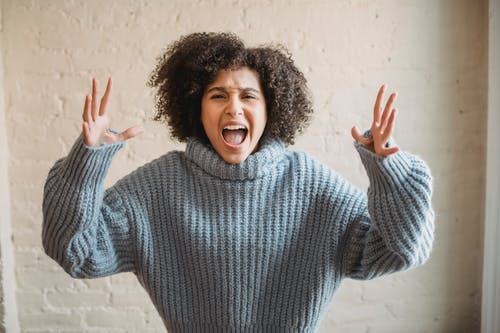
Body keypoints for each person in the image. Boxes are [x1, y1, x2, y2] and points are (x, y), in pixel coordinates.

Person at [42, 32, 434, 332]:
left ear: (271, 110)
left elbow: (402, 251)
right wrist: (85, 164)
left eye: (249, 95)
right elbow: (76, 252)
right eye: (217, 95)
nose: (234, 107)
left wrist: (391, 170)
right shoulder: (157, 188)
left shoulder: (311, 185)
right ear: (196, 108)